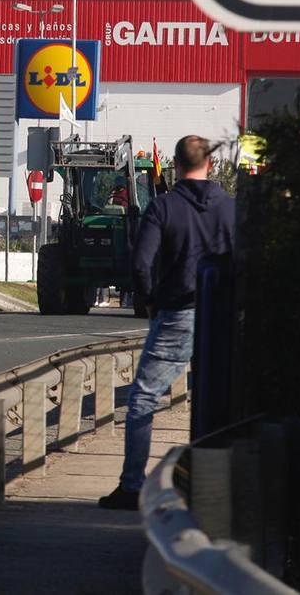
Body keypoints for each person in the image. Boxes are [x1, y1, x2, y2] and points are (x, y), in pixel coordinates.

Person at [99, 135, 234, 510]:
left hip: (177, 312)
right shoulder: (233, 209)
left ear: (176, 165)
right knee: (217, 399)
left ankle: (131, 486)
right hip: (221, 315)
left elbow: (141, 263)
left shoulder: (163, 208)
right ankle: (213, 490)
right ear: (211, 165)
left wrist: (150, 301)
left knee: (144, 397)